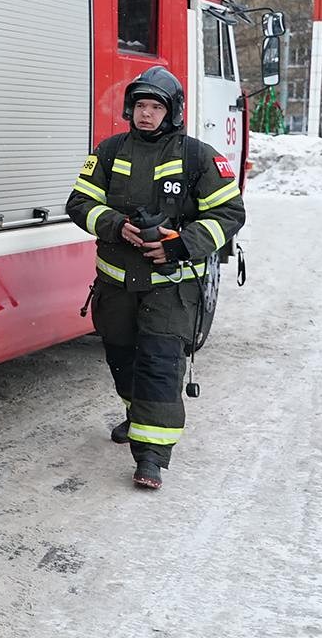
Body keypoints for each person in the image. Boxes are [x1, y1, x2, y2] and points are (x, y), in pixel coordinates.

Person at [66, 66, 245, 490]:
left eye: (155, 107)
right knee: (124, 361)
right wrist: (115, 225)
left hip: (172, 288)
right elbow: (78, 202)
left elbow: (229, 213)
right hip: (116, 288)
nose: (146, 114)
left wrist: (180, 245)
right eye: (140, 106)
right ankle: (138, 416)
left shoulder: (198, 157)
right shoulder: (109, 152)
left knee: (160, 366)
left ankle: (151, 456)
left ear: (173, 112)